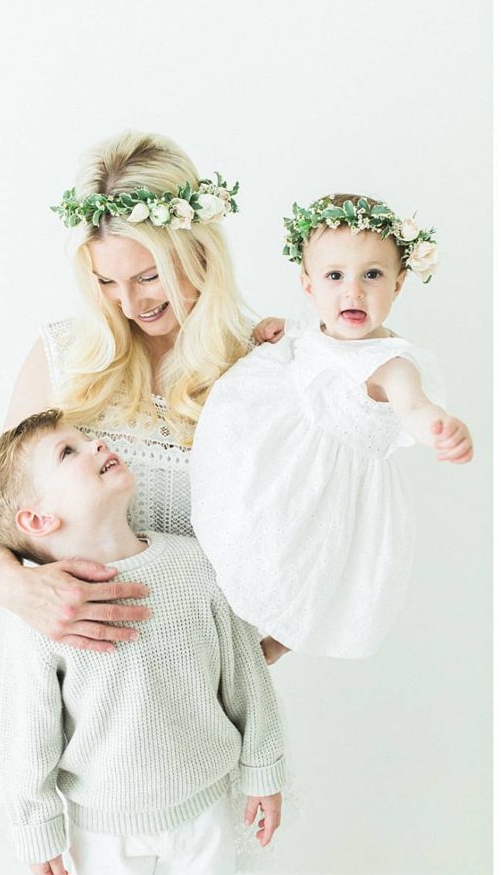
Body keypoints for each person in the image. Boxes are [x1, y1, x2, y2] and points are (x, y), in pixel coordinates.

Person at [0, 409, 286, 875]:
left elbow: (247, 680)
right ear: (38, 519)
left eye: (88, 439)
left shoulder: (196, 565)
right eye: (68, 451)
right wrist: (36, 828)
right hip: (101, 828)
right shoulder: (44, 617)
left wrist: (263, 770)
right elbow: (26, 735)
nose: (94, 445)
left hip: (204, 808)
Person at [0, 130, 273, 649]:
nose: (130, 305)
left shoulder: (261, 368)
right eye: (106, 283)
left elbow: (317, 530)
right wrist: (13, 585)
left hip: (202, 670)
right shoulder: (64, 354)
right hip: (76, 670)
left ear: (199, 251)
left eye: (148, 276)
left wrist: (249, 661)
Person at [189, 193, 474, 662]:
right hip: (281, 468)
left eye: (373, 276)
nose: (353, 292)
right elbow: (307, 340)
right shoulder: (312, 330)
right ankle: (226, 620)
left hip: (331, 495)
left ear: (399, 284)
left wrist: (438, 427)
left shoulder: (390, 363)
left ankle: (270, 650)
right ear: (308, 284)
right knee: (249, 535)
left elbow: (414, 405)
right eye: (335, 276)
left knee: (314, 577)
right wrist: (277, 327)